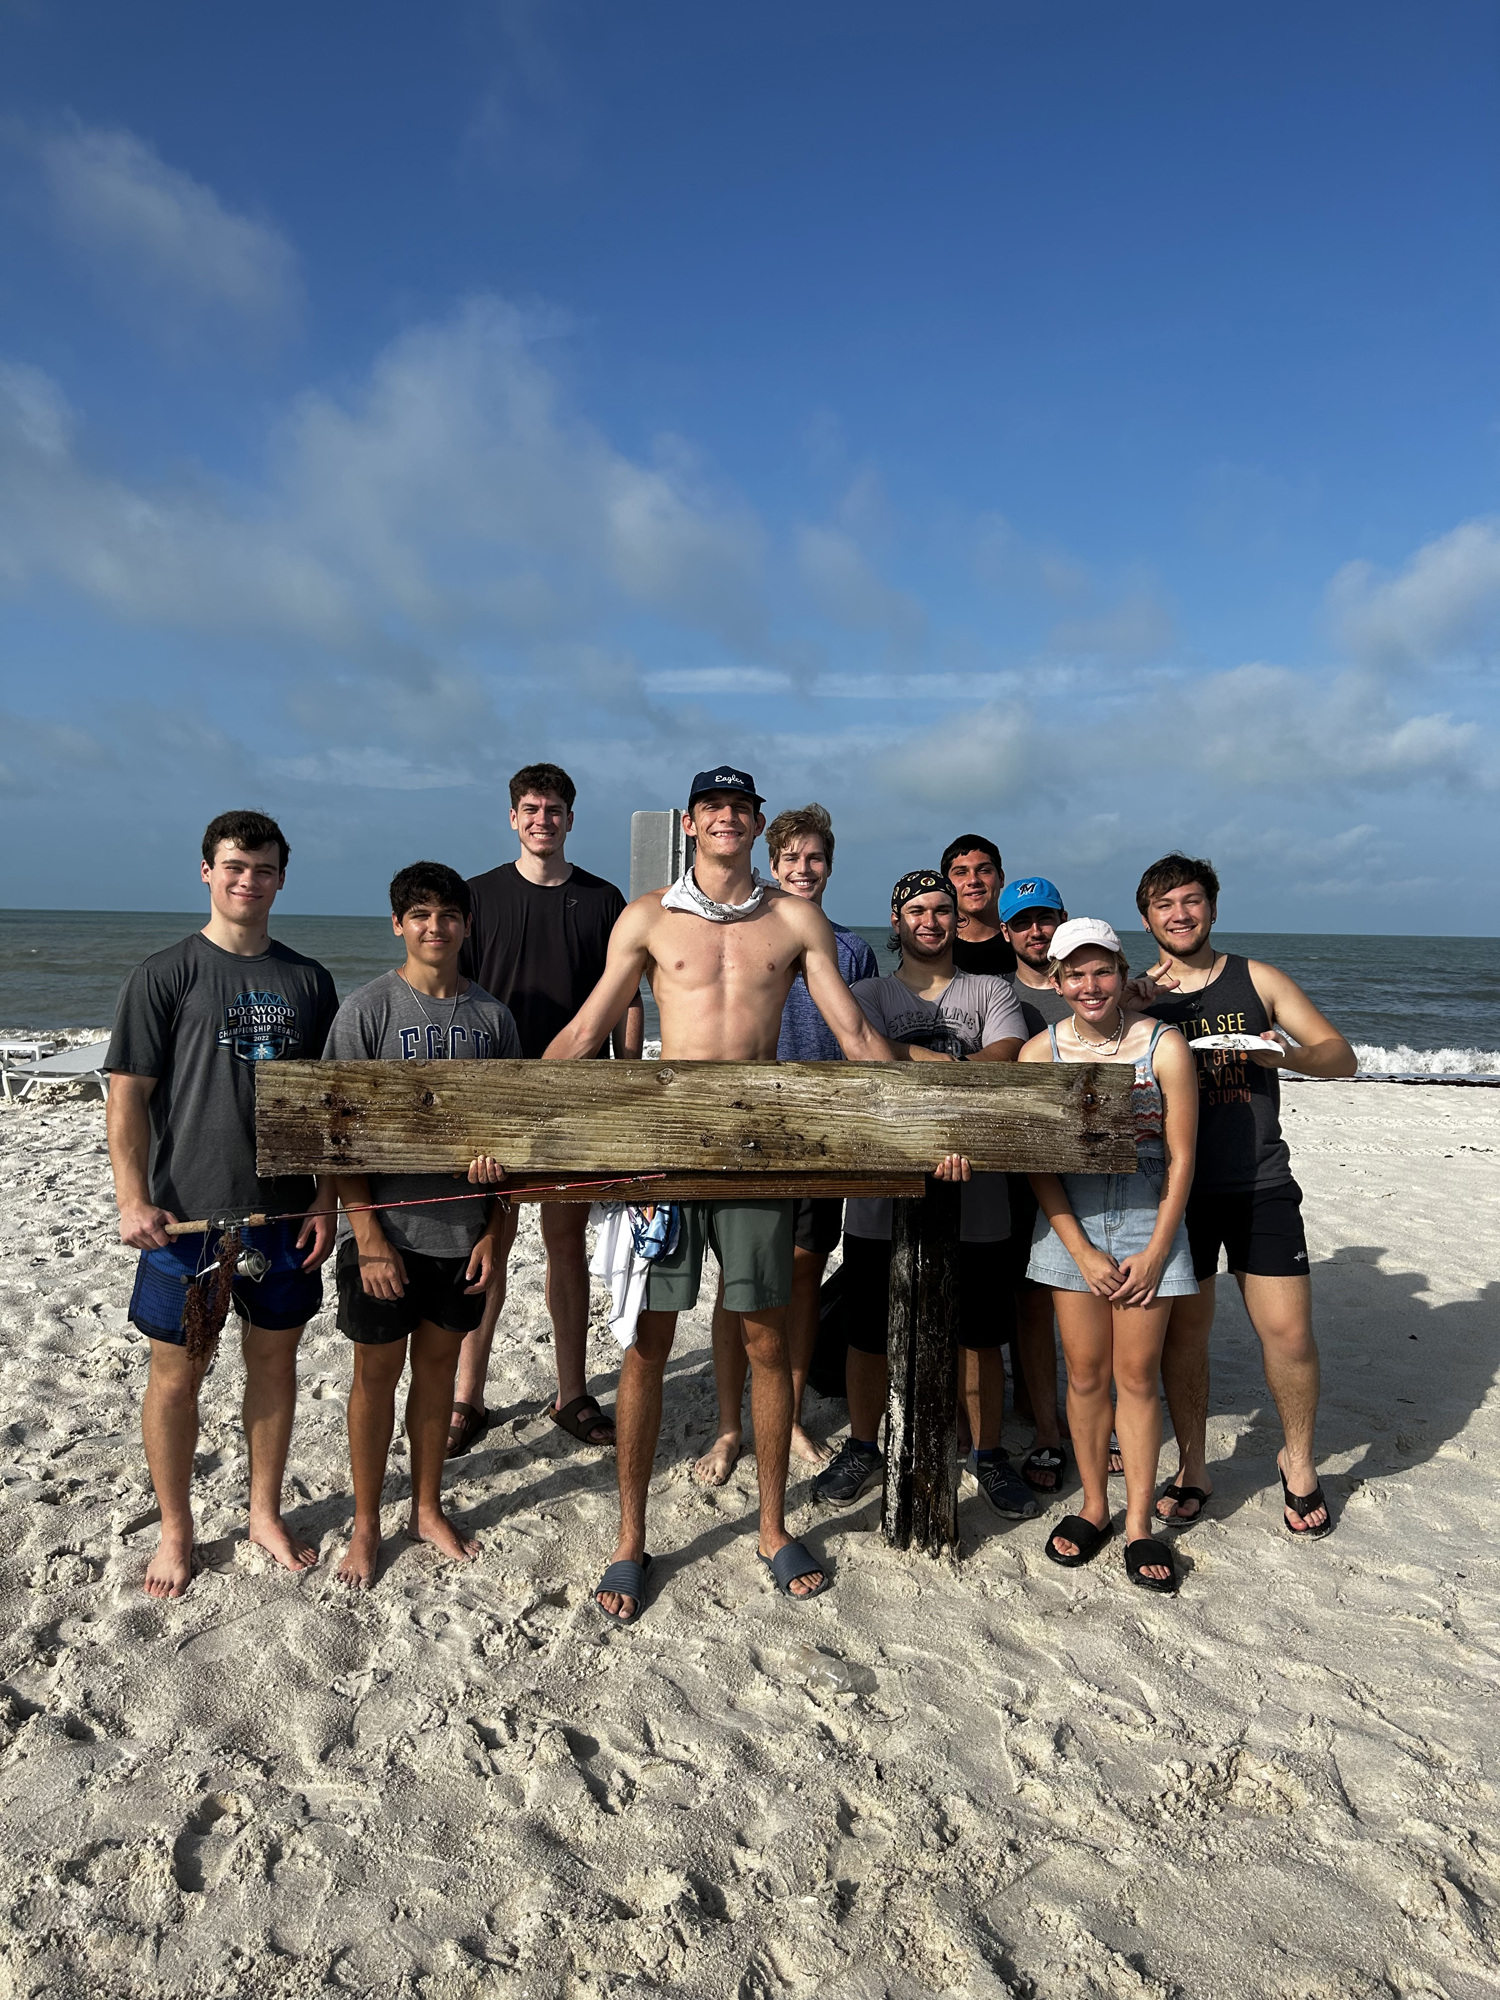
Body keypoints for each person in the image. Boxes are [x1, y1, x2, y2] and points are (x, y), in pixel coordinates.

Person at [543, 768, 969, 1624]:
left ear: (755, 823)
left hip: (758, 1149)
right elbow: (591, 1029)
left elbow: (852, 1033)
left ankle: (772, 1527)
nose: (727, 820)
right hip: (668, 1153)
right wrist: (509, 1126)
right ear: (693, 822)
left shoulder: (793, 918)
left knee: (769, 1344)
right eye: (714, 809)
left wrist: (926, 1124)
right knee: (647, 1347)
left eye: (742, 809)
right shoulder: (647, 918)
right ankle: (630, 1538)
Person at [105, 810, 340, 1599]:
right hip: (186, 1220)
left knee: (273, 1365)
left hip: (279, 1217)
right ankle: (177, 1530)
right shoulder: (165, 973)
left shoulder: (309, 979)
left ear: (281, 877)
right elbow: (128, 1099)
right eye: (235, 866)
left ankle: (264, 1513)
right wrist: (131, 1195)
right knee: (178, 1376)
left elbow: (328, 1105)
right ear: (207, 871)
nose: (248, 880)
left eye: (264, 868)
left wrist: (324, 1201)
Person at [1134, 855, 1356, 1537]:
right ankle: (1194, 1467)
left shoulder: (1257, 979)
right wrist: (1124, 1005)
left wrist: (1282, 1055)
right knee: (1187, 1339)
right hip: (1178, 1190)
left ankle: (1299, 1462)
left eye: (1191, 900)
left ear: (1212, 908)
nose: (1180, 914)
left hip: (1261, 1181)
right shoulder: (1137, 991)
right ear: (1146, 918)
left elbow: (1340, 1056)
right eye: (1165, 904)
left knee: (1288, 1334)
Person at [812, 869, 1039, 1522]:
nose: (931, 921)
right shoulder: (866, 991)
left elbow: (1005, 1055)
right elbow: (868, 1055)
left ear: (957, 920)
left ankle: (989, 1452)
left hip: (980, 1187)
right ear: (897, 920)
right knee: (867, 1333)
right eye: (917, 911)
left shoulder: (989, 988)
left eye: (943, 909)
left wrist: (925, 1064)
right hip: (882, 1191)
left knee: (980, 1335)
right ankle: (862, 1444)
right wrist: (944, 1069)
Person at [323, 863, 519, 1589]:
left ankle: (427, 1506)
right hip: (385, 1238)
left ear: (467, 926)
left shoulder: (492, 1019)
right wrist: (368, 1239)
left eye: (448, 915)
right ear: (398, 924)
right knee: (375, 1376)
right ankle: (369, 1521)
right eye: (420, 914)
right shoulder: (368, 1011)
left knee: (438, 1373)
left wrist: (497, 1234)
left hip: (461, 1236)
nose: (434, 927)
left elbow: (514, 1143)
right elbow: (338, 1138)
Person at [451, 762, 644, 1459]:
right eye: (531, 809)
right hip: (497, 1096)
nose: (542, 819)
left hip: (578, 1099)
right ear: (513, 817)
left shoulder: (601, 899)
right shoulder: (475, 897)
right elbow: (454, 991)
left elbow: (626, 994)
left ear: (570, 818)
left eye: (554, 809)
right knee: (489, 1250)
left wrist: (624, 1081)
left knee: (566, 1246)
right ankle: (466, 1397)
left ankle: (570, 1392)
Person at [692, 802, 878, 1487]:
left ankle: (790, 1413)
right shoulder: (747, 931)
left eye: (816, 858)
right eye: (792, 858)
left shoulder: (852, 948)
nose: (804, 869)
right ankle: (729, 1425)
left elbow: (859, 1041)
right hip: (748, 1135)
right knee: (734, 1286)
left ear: (831, 864)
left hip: (822, 1140)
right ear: (773, 865)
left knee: (801, 1277)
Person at [1020, 919, 1199, 1595]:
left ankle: (1140, 1524)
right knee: (1086, 1374)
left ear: (1122, 974)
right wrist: (1080, 1248)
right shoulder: (1039, 1054)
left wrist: (1157, 1249)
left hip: (1150, 1217)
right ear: (1057, 980)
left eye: (1101, 972)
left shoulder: (1164, 1046)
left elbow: (1183, 1157)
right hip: (1074, 1223)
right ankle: (1095, 1504)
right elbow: (1039, 1167)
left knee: (1136, 1375)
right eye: (1074, 973)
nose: (1089, 986)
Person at [996, 876, 1073, 1494]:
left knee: (1094, 1298)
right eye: (1023, 923)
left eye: (1045, 919)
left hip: (1093, 1170)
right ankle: (1047, 1426)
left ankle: (1096, 1422)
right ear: (1006, 933)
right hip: (1022, 1170)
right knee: (1032, 1300)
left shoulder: (1094, 987)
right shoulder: (1002, 999)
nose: (1036, 931)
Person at [942, 834, 1017, 978]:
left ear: (1001, 878)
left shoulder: (1025, 944)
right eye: (961, 872)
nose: (973, 880)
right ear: (946, 884)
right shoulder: (936, 950)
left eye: (984, 871)